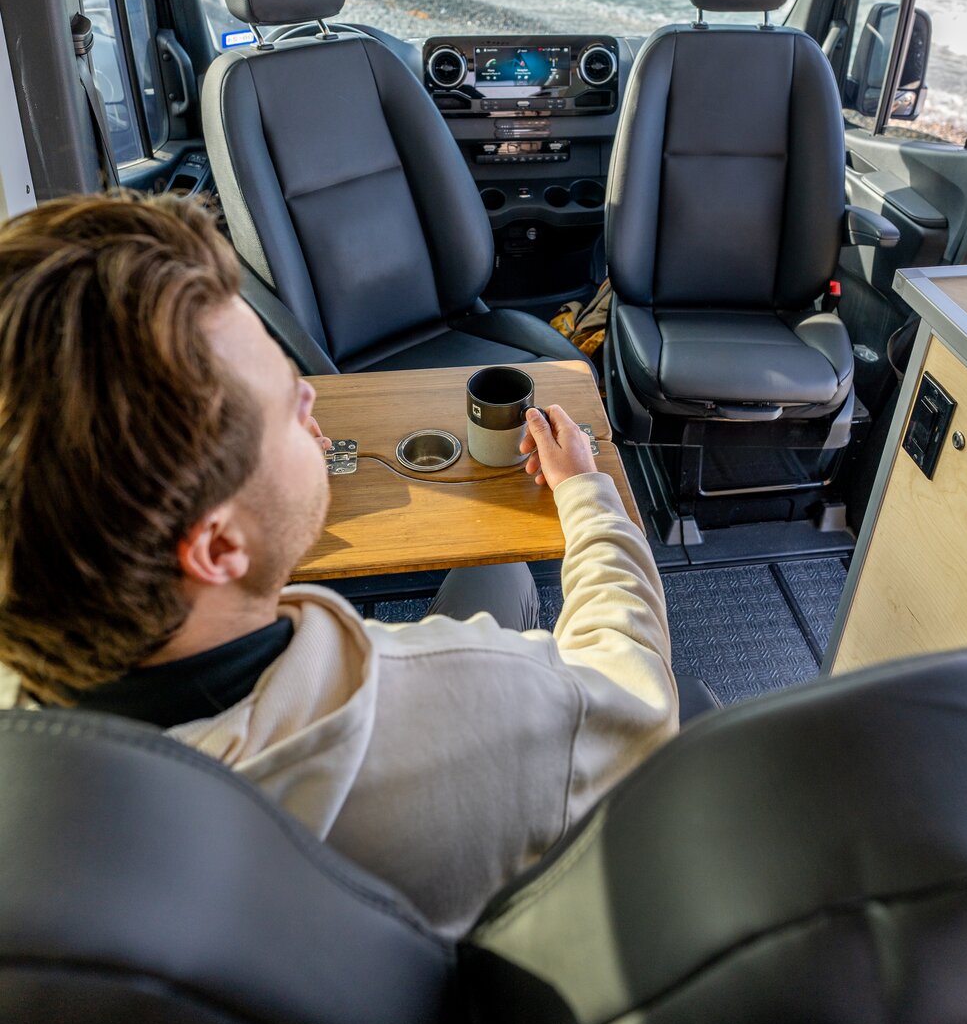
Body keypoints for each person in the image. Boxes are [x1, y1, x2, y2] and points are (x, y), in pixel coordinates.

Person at [0, 192, 677, 937]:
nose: (315, 402)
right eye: (292, 407)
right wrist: (586, 493)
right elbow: (636, 697)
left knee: (499, 578)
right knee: (509, 578)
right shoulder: (485, 698)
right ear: (219, 548)